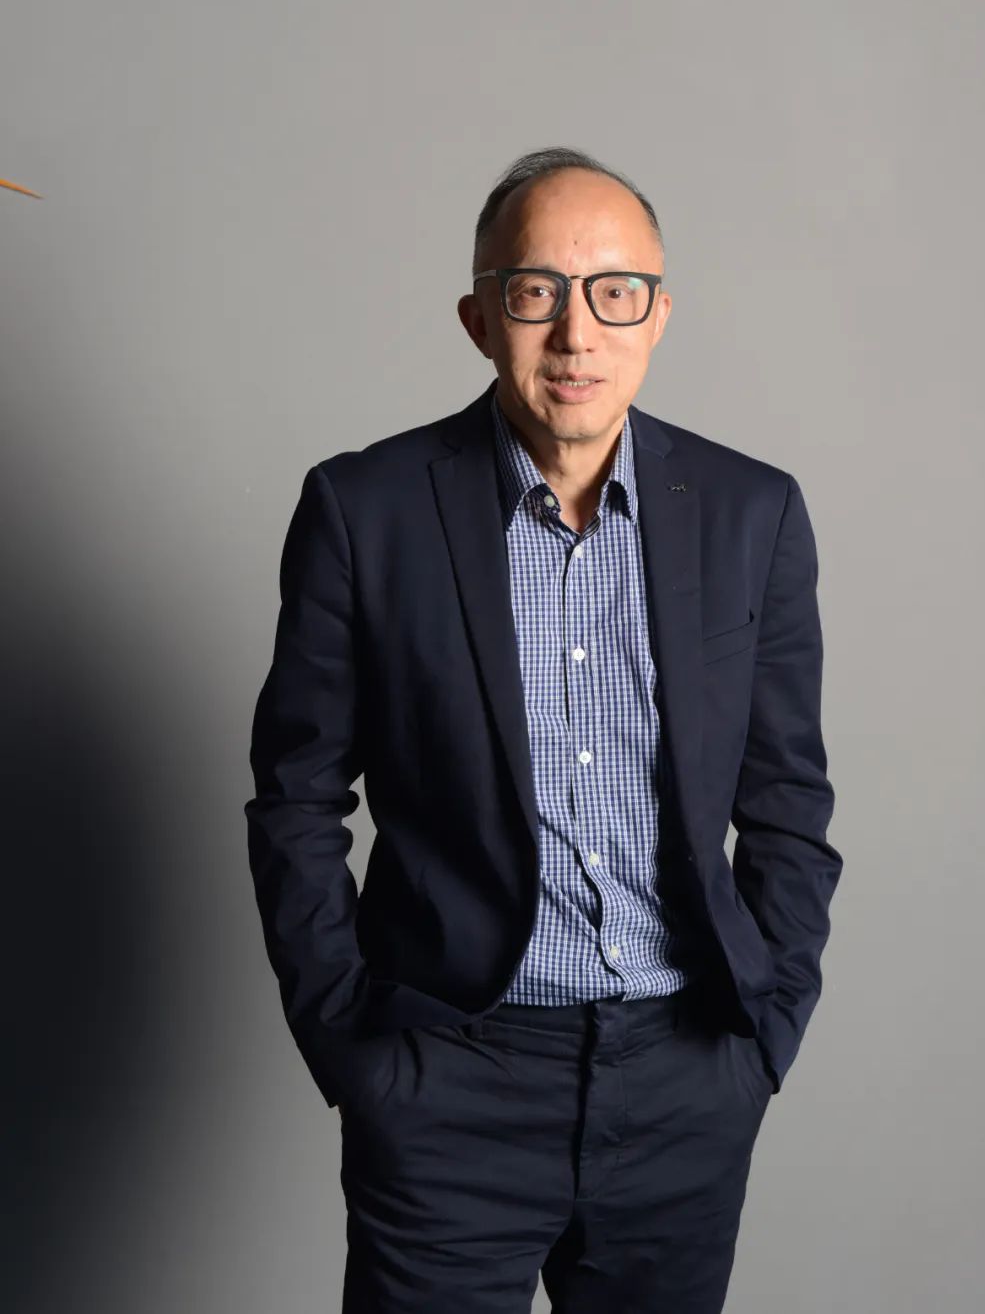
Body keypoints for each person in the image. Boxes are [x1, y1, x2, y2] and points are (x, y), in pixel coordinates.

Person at [245, 146, 842, 1312]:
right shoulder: (365, 510)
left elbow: (788, 800)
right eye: (537, 292)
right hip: (448, 1077)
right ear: (481, 319)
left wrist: (762, 1036)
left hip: (684, 1082)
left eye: (615, 292)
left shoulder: (751, 512)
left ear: (657, 315)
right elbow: (296, 798)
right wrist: (354, 1049)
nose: (577, 333)